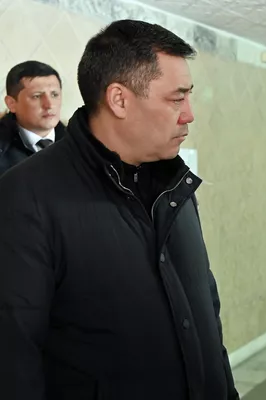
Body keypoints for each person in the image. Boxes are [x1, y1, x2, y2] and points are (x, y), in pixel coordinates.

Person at [0, 20, 238, 400]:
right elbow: (14, 358)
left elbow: (205, 312)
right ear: (119, 100)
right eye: (176, 99)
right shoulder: (25, 196)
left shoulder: (175, 185)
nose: (189, 114)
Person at [0, 60, 66, 176]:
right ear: (11, 104)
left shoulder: (81, 143)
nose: (49, 105)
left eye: (54, 94)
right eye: (37, 96)